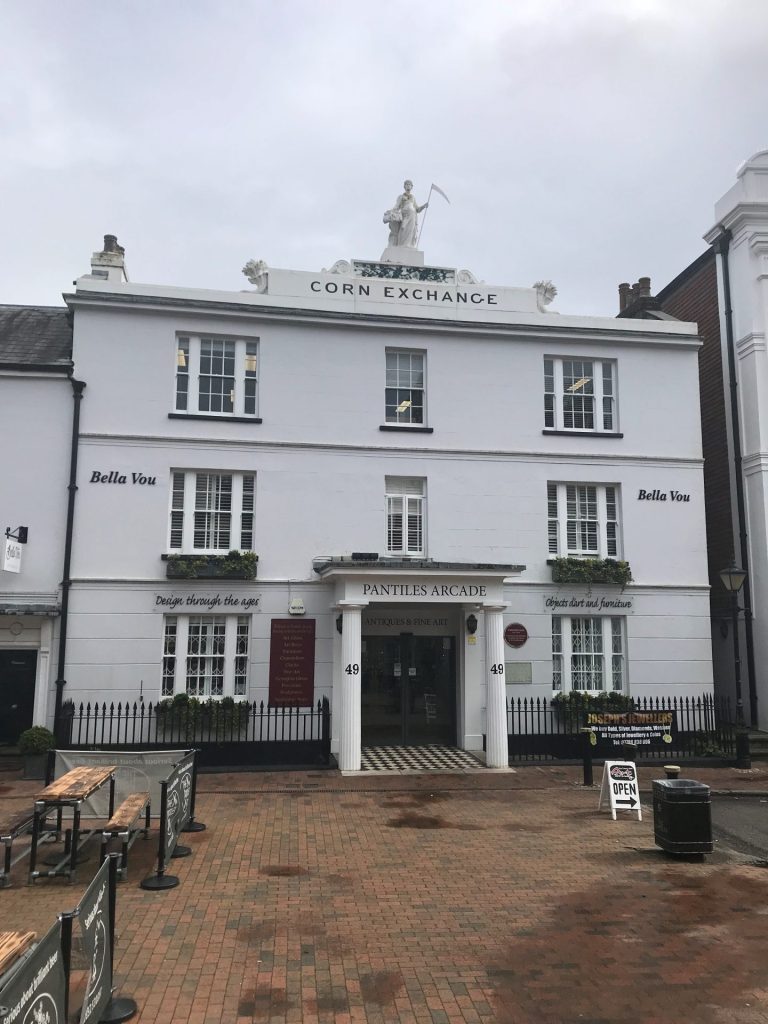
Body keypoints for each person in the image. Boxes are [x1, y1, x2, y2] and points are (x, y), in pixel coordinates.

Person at [383, 180, 428, 248]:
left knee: (411, 230)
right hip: (405, 216)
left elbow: (417, 209)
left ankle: (408, 244)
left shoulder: (413, 197)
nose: (408, 186)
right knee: (403, 229)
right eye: (406, 184)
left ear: (412, 186)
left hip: (412, 216)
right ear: (404, 186)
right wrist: (391, 212)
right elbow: (396, 207)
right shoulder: (401, 196)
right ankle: (402, 245)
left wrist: (424, 206)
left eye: (409, 184)